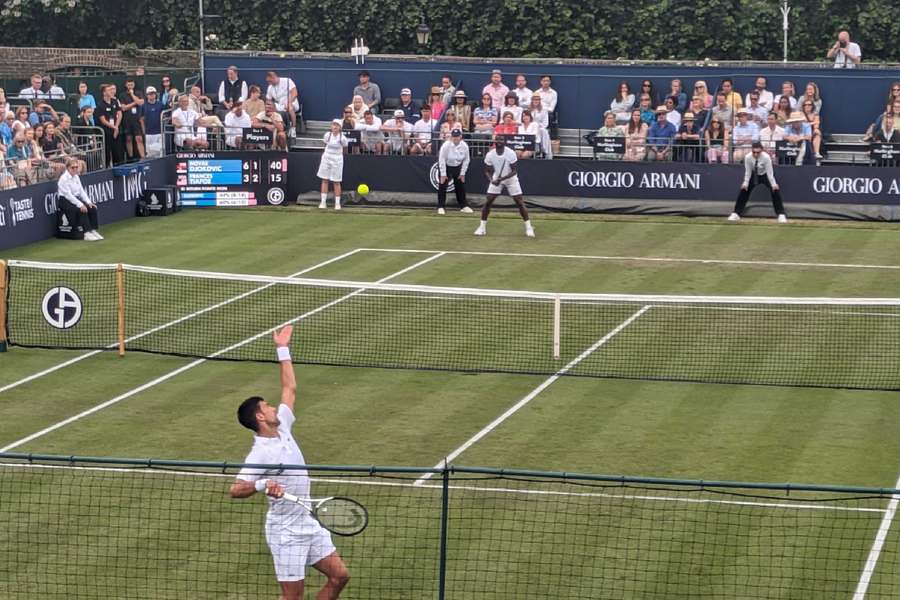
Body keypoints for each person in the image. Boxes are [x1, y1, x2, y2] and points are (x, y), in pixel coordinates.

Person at [231, 325, 350, 600]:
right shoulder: (259, 453)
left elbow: (290, 387)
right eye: (267, 406)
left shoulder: (283, 425)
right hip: (285, 533)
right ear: (260, 417)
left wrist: (282, 348)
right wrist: (261, 484)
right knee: (292, 597)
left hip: (308, 522)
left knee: (340, 576)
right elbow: (236, 489)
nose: (273, 407)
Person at [475, 134, 534, 238]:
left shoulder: (510, 153)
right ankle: (482, 227)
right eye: (497, 139)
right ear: (494, 141)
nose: (499, 141)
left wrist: (501, 179)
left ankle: (529, 228)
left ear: (504, 142)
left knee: (519, 202)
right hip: (496, 178)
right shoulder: (490, 155)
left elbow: (514, 171)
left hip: (510, 179)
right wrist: (492, 180)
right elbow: (487, 171)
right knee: (488, 201)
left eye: (501, 140)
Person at [729, 142, 787, 223]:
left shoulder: (766, 158)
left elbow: (770, 173)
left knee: (775, 190)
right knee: (744, 190)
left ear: (762, 151)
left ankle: (781, 214)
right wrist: (745, 183)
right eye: (754, 152)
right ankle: (736, 213)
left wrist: (773, 185)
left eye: (758, 152)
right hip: (754, 174)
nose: (755, 154)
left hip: (765, 175)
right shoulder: (748, 157)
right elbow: (748, 172)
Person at [57, 158, 102, 240]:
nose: (75, 169)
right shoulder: (63, 179)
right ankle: (86, 233)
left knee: (92, 208)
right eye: (72, 167)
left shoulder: (76, 177)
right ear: (67, 168)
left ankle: (93, 230)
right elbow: (68, 195)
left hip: (74, 199)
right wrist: (81, 205)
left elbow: (81, 191)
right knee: (82, 209)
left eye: (76, 167)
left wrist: (88, 202)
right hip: (64, 201)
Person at [437, 128, 472, 215]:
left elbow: (466, 160)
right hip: (446, 165)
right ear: (451, 137)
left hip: (458, 166)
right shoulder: (446, 145)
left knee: (460, 186)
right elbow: (441, 159)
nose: (455, 139)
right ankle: (441, 206)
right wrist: (443, 174)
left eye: (457, 137)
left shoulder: (465, 146)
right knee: (442, 185)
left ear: (460, 137)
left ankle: (463, 206)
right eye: (454, 137)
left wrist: (463, 173)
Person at [316, 120, 348, 210]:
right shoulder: (327, 135)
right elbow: (325, 144)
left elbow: (345, 147)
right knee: (325, 179)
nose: (335, 127)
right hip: (326, 157)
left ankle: (337, 204)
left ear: (340, 128)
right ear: (331, 126)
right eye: (334, 125)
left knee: (336, 181)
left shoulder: (343, 138)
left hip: (337, 159)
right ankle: (323, 202)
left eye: (337, 125)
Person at [97, 83, 125, 165]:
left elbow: (120, 114)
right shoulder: (100, 105)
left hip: (116, 131)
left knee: (117, 152)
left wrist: (116, 127)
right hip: (107, 132)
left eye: (112, 89)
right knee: (107, 153)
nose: (111, 91)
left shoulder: (115, 101)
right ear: (104, 92)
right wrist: (113, 127)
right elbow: (103, 120)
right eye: (109, 90)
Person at [119, 78, 145, 160]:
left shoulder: (139, 93)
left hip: (137, 120)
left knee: (139, 138)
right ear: (126, 85)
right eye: (129, 84)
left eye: (132, 84)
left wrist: (132, 95)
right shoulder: (122, 95)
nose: (130, 86)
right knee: (128, 139)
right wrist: (135, 103)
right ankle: (130, 157)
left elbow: (141, 102)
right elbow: (124, 108)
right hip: (127, 120)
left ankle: (143, 157)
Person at [143, 87, 166, 157]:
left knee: (160, 152)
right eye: (149, 94)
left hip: (159, 132)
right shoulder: (143, 106)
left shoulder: (161, 104)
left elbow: (165, 116)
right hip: (148, 133)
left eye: (153, 94)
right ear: (147, 95)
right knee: (149, 153)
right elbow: (141, 119)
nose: (151, 95)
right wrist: (144, 131)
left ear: (155, 94)